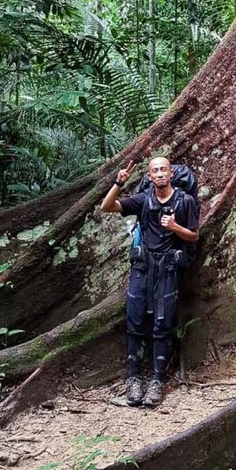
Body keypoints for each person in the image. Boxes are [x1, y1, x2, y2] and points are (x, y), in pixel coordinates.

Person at [100, 156, 199, 408]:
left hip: (166, 269)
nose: (160, 174)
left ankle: (156, 381)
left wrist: (175, 226)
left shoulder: (184, 201)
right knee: (134, 322)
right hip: (142, 269)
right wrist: (118, 183)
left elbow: (194, 235)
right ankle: (133, 379)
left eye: (163, 169)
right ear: (150, 176)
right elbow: (107, 207)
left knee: (162, 325)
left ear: (171, 174)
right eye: (155, 171)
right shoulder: (144, 199)